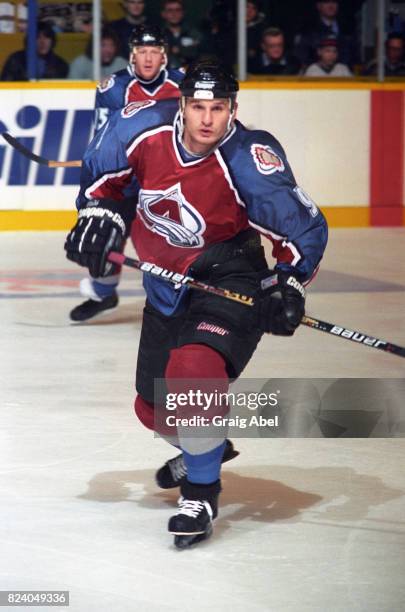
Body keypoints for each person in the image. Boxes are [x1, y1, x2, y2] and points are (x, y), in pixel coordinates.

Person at [64, 61, 328, 548]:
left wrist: (288, 284)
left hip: (229, 277)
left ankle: (201, 491)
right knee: (151, 406)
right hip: (166, 289)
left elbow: (304, 228)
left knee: (193, 368)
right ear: (182, 105)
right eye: (198, 107)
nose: (208, 120)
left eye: (219, 108)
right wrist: (97, 214)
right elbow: (102, 178)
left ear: (233, 110)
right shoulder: (141, 126)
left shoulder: (249, 157)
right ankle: (204, 444)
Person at [69, 24, 184, 322]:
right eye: (141, 52)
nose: (147, 59)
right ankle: (104, 292)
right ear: (131, 55)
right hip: (124, 180)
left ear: (164, 56)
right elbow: (103, 139)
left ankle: (175, 299)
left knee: (170, 241)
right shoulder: (113, 88)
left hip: (167, 182)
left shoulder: (184, 85)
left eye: (153, 52)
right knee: (102, 232)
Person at [294, 0, 356, 70]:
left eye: (334, 2)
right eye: (326, 2)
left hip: (345, 78)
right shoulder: (308, 30)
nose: (331, 5)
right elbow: (302, 59)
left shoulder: (347, 28)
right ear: (318, 6)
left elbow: (354, 57)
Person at [1, 21, 68, 80]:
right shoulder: (16, 60)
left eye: (47, 37)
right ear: (30, 40)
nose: (43, 42)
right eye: (37, 37)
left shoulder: (60, 65)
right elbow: (5, 87)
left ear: (52, 40)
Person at [160, 0, 201, 69]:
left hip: (190, 73)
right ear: (163, 14)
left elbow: (198, 52)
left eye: (178, 10)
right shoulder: (159, 33)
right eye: (170, 10)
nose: (174, 14)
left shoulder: (193, 33)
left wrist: (178, 50)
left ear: (183, 13)